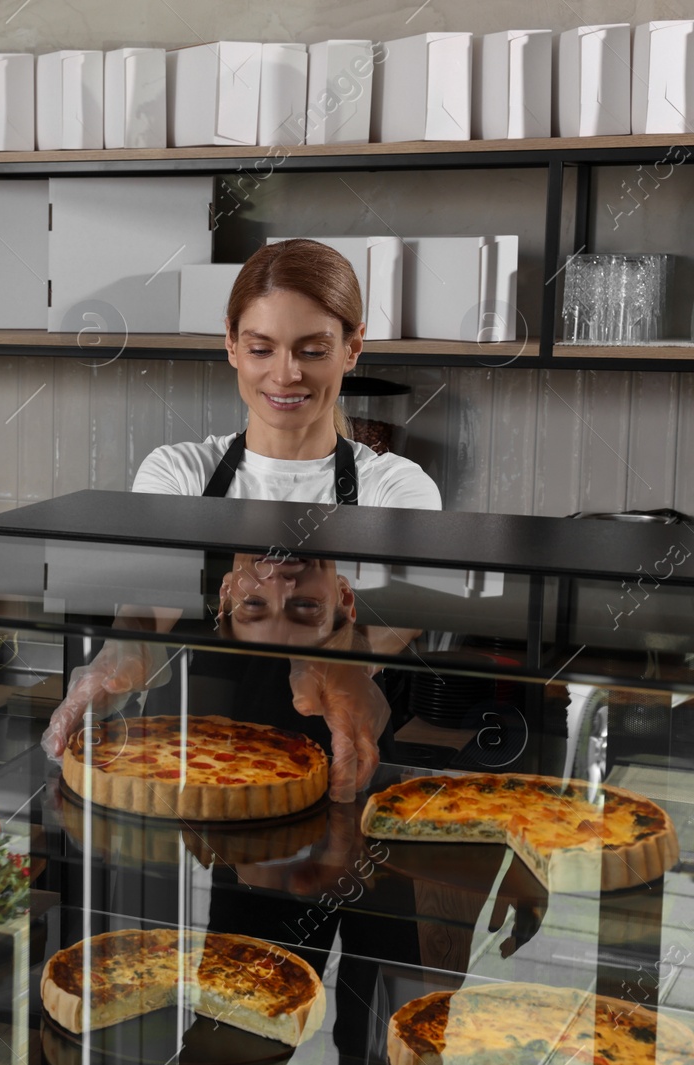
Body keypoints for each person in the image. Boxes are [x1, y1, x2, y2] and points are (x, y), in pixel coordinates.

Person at [41, 238, 440, 799]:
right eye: (261, 349)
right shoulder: (178, 473)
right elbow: (147, 607)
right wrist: (121, 653)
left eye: (313, 350)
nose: (286, 374)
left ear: (352, 349)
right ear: (230, 343)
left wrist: (349, 663)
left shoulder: (395, 485)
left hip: (345, 764)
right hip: (190, 771)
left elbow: (405, 609)